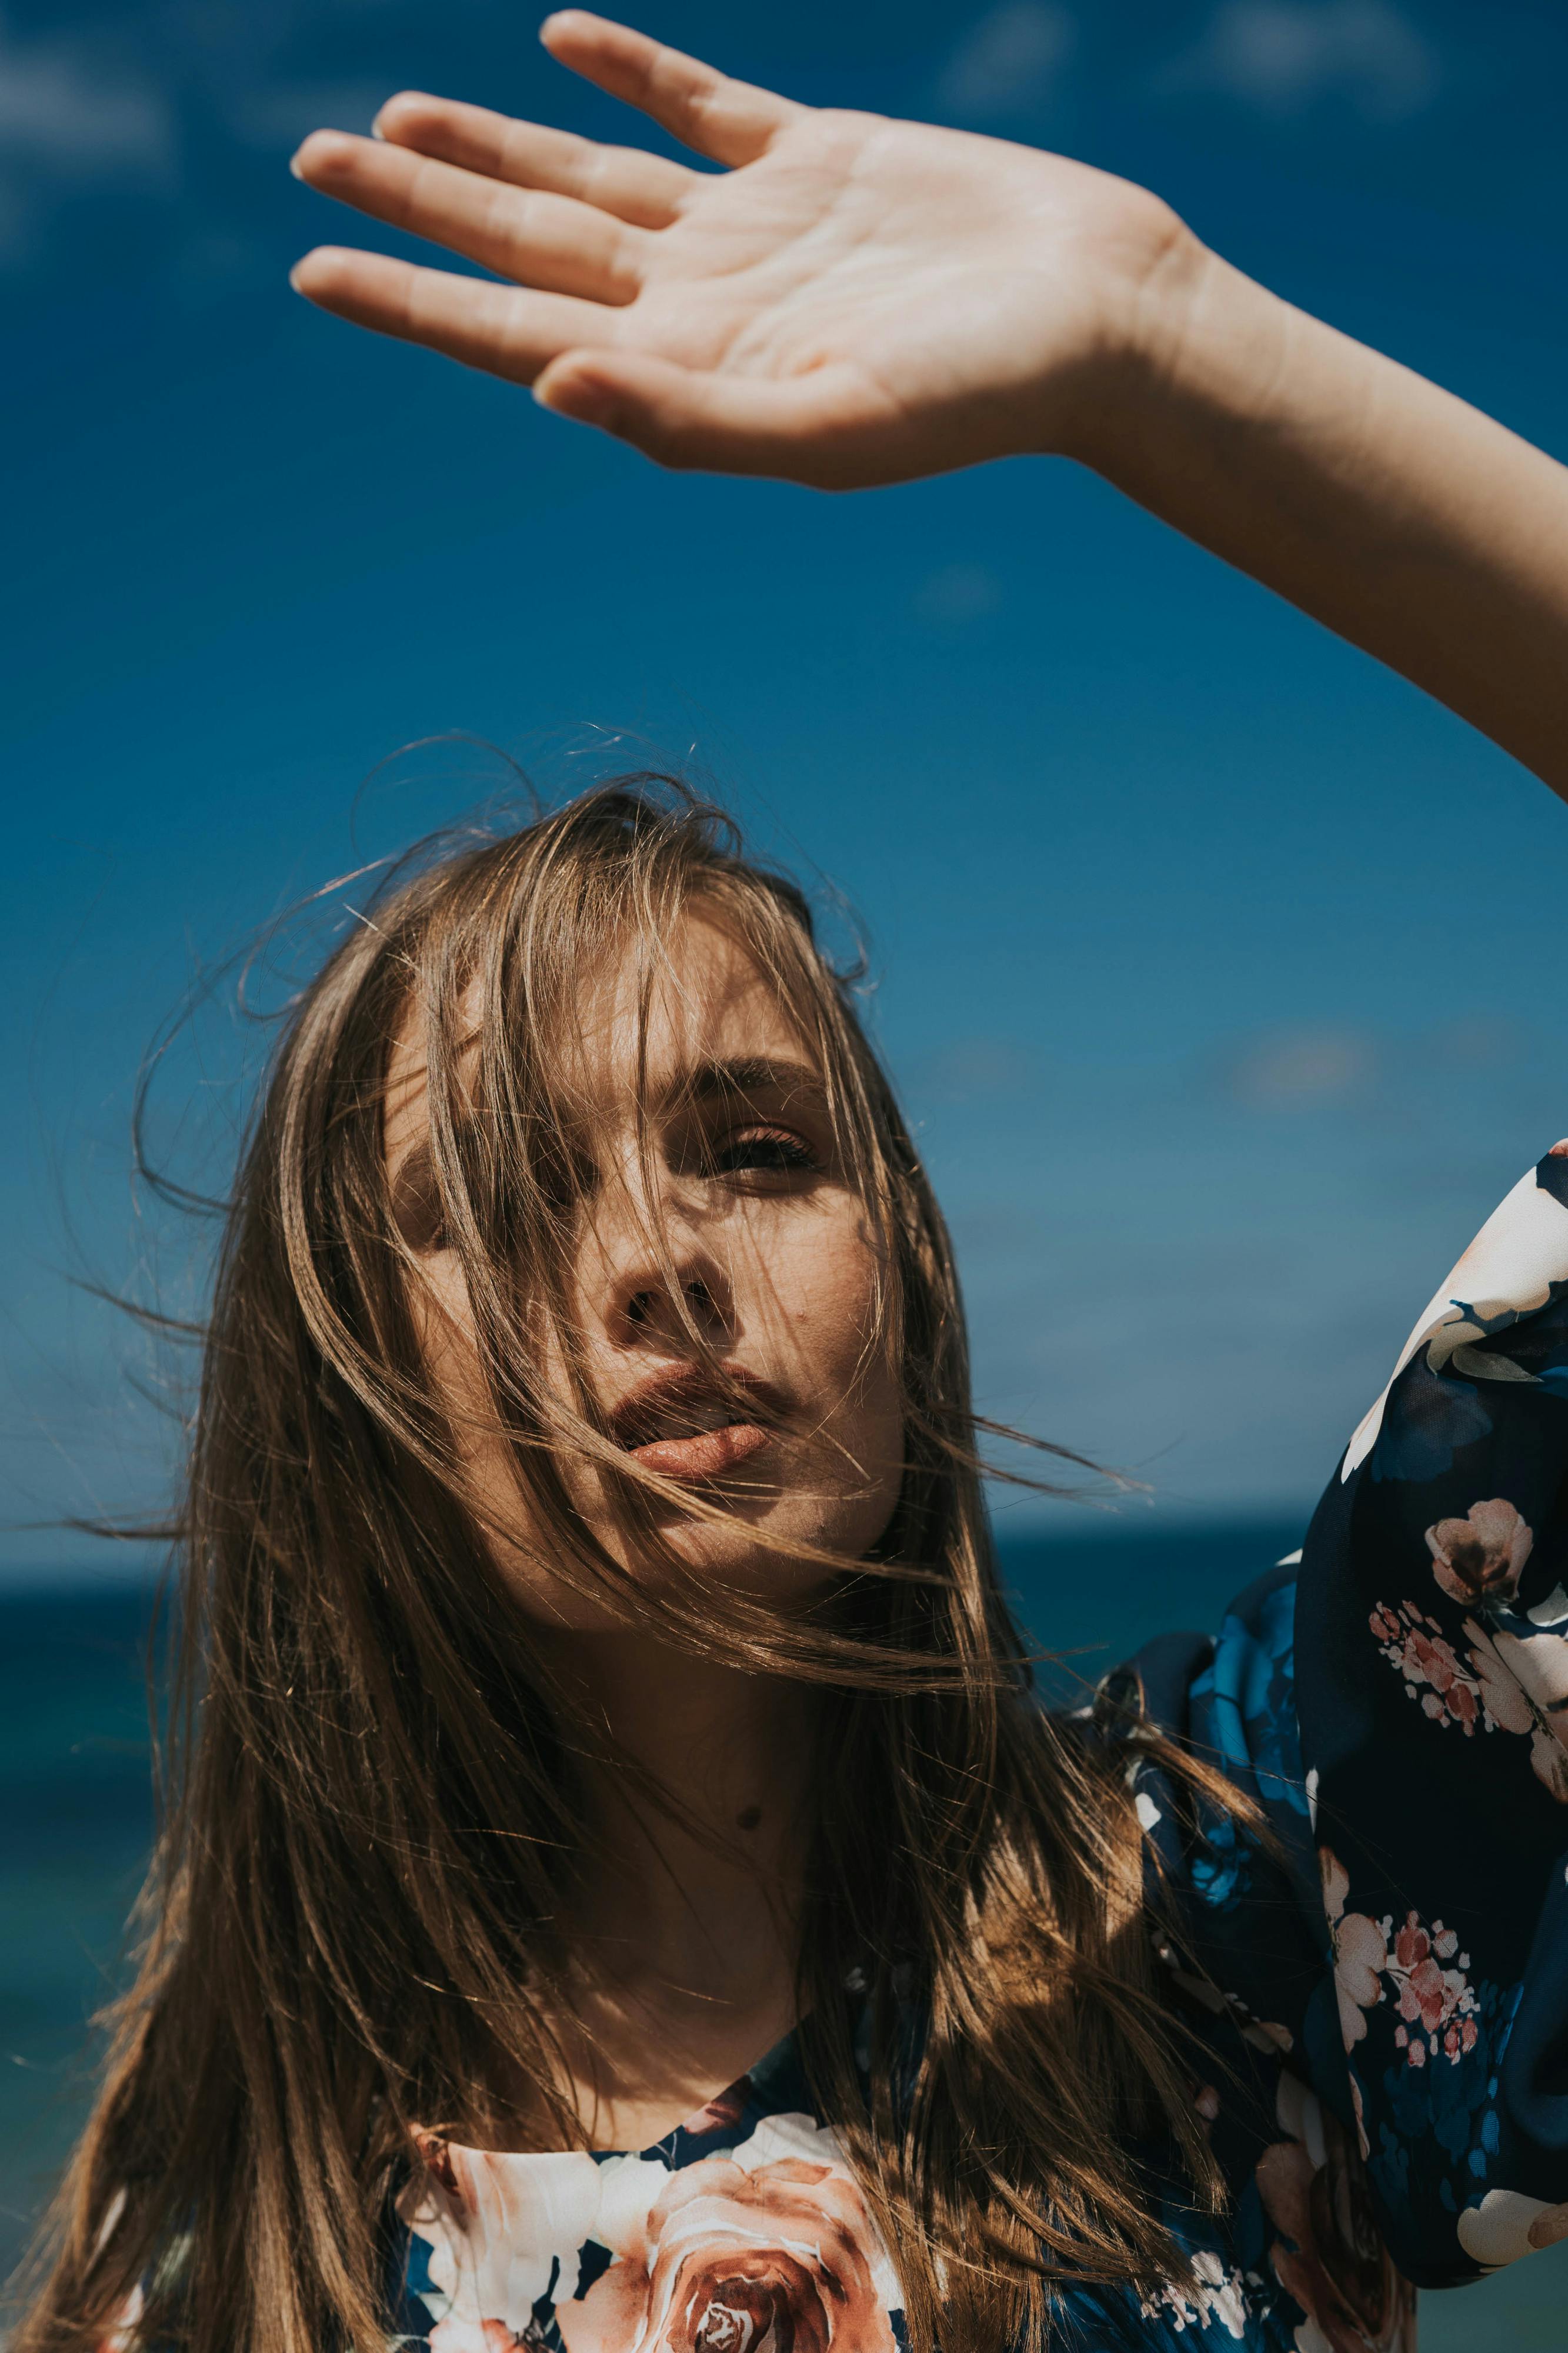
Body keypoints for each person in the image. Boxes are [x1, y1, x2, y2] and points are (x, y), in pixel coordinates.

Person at [16, 14, 1568, 2352]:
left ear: (910, 1288)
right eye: (503, 1193)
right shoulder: (228, 2269)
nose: (653, 1259)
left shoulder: (1243, 1889)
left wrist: (1162, 339)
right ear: (349, 1373)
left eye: (754, 1146)